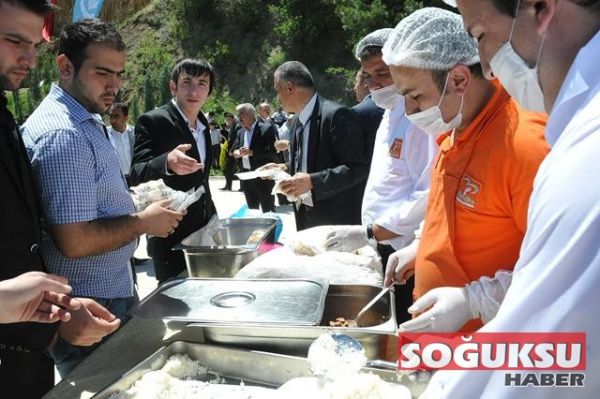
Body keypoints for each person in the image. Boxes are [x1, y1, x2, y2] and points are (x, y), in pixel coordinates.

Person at [415, 1, 600, 397]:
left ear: (540, 8)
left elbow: (545, 353)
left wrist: (474, 301)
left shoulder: (581, 154)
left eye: (480, 35)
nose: (488, 63)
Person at [22, 18, 182, 377]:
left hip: (106, 292)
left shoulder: (83, 119)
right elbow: (75, 241)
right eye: (102, 73)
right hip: (91, 306)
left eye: (120, 74)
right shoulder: (64, 134)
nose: (114, 86)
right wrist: (143, 222)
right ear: (65, 66)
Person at [381, 8, 549, 333]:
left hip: (493, 352)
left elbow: (562, 269)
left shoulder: (524, 144)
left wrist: (475, 300)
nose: (410, 110)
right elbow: (452, 212)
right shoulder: (454, 128)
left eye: (415, 96)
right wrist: (420, 246)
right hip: (443, 346)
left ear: (459, 79)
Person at [325, 28, 437, 322]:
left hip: (407, 251)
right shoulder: (389, 113)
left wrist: (371, 232)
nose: (375, 83)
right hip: (382, 245)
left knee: (407, 321)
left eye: (383, 73)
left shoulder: (419, 116)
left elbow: (428, 194)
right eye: (368, 75)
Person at [130, 58, 217, 283]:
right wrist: (167, 162)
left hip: (204, 231)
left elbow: (203, 180)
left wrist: (214, 217)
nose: (194, 90)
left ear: (209, 92)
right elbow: (137, 173)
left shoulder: (203, 126)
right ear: (173, 86)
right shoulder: (153, 121)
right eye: (186, 82)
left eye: (202, 83)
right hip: (170, 236)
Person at [273, 61, 368, 230]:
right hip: (304, 216)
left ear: (289, 88)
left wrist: (312, 182)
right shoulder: (295, 122)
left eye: (277, 90)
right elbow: (310, 162)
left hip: (335, 220)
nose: (277, 98)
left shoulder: (336, 116)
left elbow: (356, 168)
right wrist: (283, 168)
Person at [231, 103, 278, 212]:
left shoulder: (266, 129)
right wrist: (237, 153)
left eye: (241, 114)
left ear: (250, 114)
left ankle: (272, 230)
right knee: (252, 212)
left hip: (263, 177)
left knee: (268, 211)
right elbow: (233, 150)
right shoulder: (240, 132)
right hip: (247, 178)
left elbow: (273, 151)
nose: (238, 118)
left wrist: (253, 152)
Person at [107, 102, 134, 184]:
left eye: (116, 116)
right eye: (111, 116)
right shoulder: (105, 135)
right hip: (116, 181)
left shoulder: (134, 132)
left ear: (126, 118)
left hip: (135, 178)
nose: (112, 120)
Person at [220, 112, 238, 191]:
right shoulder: (232, 127)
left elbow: (236, 139)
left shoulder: (236, 126)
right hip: (229, 150)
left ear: (233, 119)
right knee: (227, 169)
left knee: (229, 169)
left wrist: (232, 150)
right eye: (226, 120)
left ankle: (229, 186)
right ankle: (227, 185)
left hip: (233, 151)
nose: (227, 121)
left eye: (229, 120)